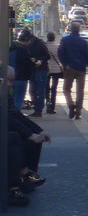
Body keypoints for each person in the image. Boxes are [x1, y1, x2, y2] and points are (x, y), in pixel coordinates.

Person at [6, 67, 51, 206]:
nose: (10, 84)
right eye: (7, 81)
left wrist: (38, 131)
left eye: (12, 81)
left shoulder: (5, 94)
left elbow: (15, 115)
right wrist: (30, 134)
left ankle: (26, 179)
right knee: (15, 138)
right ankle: (20, 180)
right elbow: (7, 117)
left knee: (31, 139)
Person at [57, 21, 88, 119]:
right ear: (79, 30)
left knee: (66, 89)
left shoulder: (65, 40)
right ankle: (78, 112)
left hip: (69, 68)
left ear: (70, 29)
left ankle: (70, 105)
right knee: (80, 91)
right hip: (81, 69)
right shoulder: (83, 42)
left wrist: (65, 64)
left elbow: (60, 53)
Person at [21, 29, 51, 117]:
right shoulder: (26, 46)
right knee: (32, 90)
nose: (26, 43)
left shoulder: (40, 44)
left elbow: (47, 55)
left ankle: (39, 110)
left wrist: (40, 61)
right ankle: (36, 106)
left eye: (27, 41)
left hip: (41, 69)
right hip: (32, 69)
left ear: (31, 38)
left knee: (40, 90)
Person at [8, 32, 36, 110]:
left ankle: (12, 116)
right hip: (21, 78)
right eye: (30, 40)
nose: (30, 42)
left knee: (12, 99)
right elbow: (27, 64)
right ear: (26, 40)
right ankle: (16, 116)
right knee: (19, 99)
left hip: (10, 77)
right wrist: (33, 63)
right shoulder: (23, 51)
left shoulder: (11, 50)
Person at [45, 32, 63, 114]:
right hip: (56, 70)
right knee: (54, 88)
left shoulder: (44, 46)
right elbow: (61, 58)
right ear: (54, 38)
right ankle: (52, 107)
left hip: (47, 69)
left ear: (47, 37)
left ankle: (47, 104)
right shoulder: (58, 47)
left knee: (46, 88)